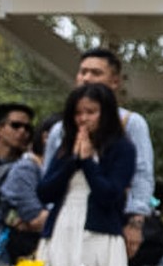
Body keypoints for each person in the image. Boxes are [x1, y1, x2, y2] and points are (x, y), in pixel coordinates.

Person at [35, 48, 154, 227]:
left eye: (96, 73)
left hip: (111, 222)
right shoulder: (60, 130)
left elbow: (142, 174)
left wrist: (136, 220)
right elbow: (47, 178)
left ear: (115, 81)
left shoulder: (130, 124)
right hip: (62, 221)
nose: (87, 78)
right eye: (83, 72)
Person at [36, 83, 139, 266]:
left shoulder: (122, 148)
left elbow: (109, 195)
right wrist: (73, 160)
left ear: (105, 113)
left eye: (90, 112)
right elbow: (44, 192)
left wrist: (88, 161)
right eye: (78, 113)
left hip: (99, 231)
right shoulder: (66, 147)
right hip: (62, 226)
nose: (83, 119)